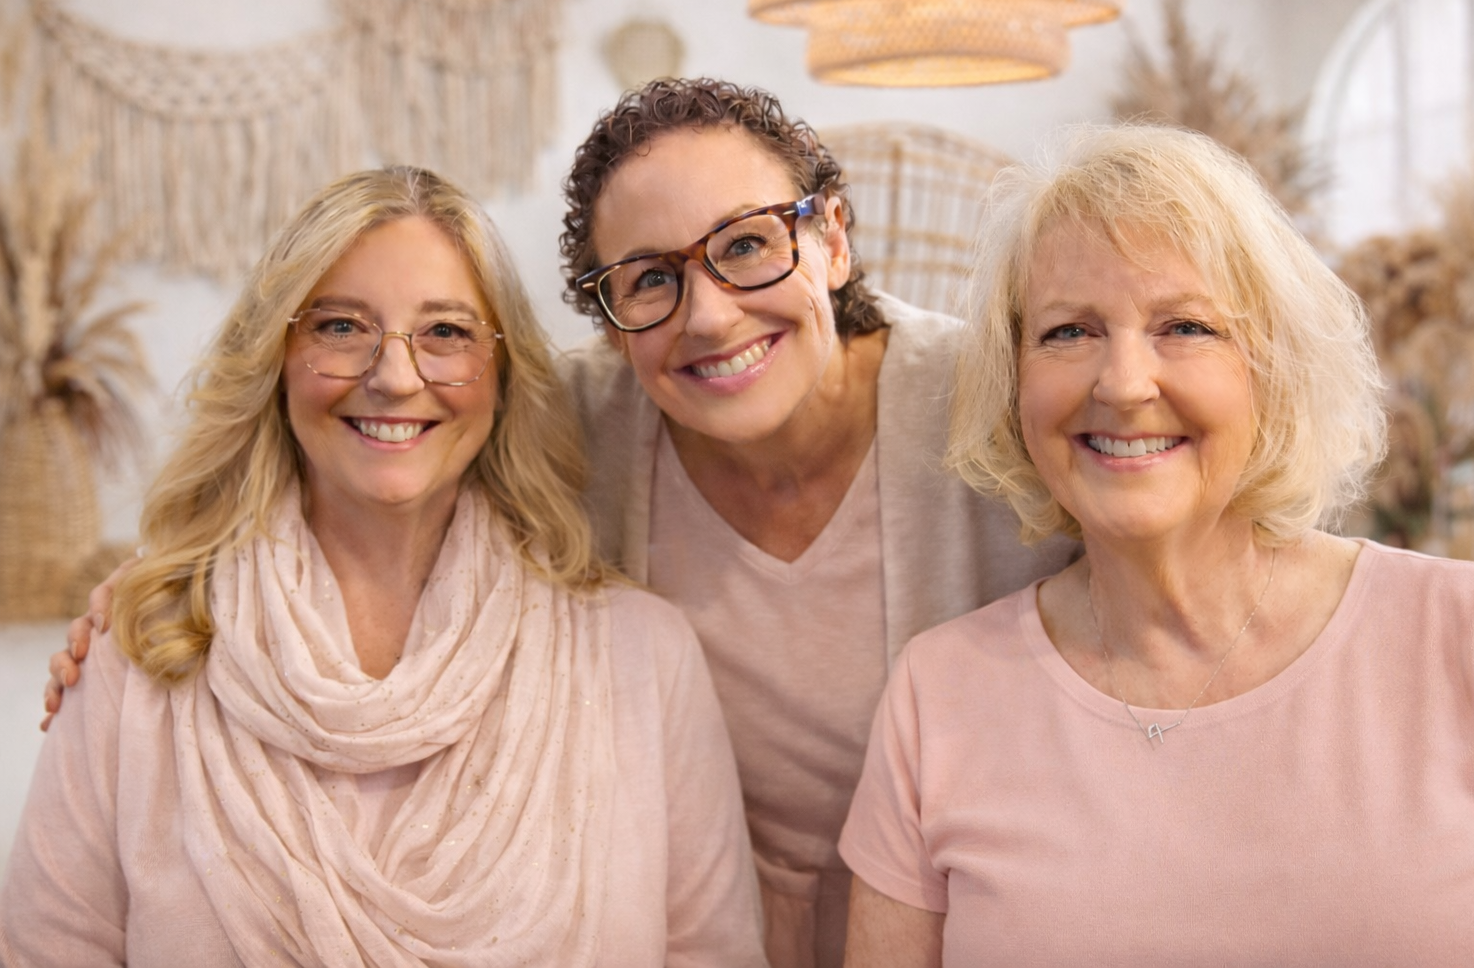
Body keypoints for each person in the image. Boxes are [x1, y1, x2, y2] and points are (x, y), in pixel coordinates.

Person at [43, 79, 1077, 968]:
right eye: (653, 280)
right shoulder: (582, 414)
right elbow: (384, 453)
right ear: (607, 311)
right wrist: (161, 588)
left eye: (750, 245)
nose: (710, 316)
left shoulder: (993, 406)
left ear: (833, 237)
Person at [3, 167, 766, 967]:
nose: (395, 377)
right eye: (340, 328)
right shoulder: (142, 651)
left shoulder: (644, 657)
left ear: (504, 377)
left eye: (446, 332)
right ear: (276, 358)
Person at [837, 123, 1474, 966]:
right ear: (1013, 381)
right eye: (1068, 331)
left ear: (1272, 370)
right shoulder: (936, 697)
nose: (1124, 383)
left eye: (1186, 327)